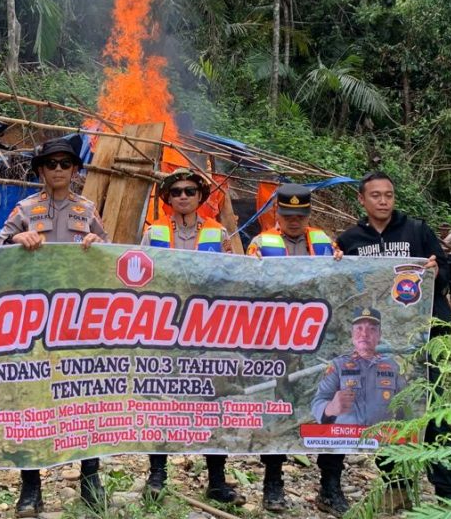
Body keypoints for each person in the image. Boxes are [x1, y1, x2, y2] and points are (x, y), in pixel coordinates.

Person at [329, 171, 451, 515]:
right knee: (385, 411)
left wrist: (435, 270)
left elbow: (447, 275)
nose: (383, 201)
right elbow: (341, 287)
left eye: (388, 195)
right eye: (376, 195)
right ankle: (396, 485)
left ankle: (449, 492)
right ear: (362, 200)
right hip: (380, 344)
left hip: (421, 341)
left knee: (432, 410)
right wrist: (334, 262)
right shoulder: (350, 239)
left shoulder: (416, 231)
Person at [0, 137, 106, 516]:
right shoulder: (25, 208)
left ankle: (90, 481)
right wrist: (14, 238)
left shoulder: (88, 209)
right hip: (35, 321)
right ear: (40, 170)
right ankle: (30, 488)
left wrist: (97, 242)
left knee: (84, 397)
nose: (58, 170)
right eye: (51, 164)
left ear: (75, 171)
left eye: (65, 164)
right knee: (32, 400)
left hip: (79, 319)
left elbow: (110, 255)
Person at [140, 168, 243, 505]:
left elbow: (233, 276)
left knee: (212, 401)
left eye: (190, 191)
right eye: (176, 192)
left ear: (200, 197)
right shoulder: (153, 231)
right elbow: (139, 276)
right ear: (167, 198)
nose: (183, 196)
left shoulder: (218, 232)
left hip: (207, 329)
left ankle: (217, 480)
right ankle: (157, 476)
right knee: (161, 401)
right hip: (165, 328)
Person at [247, 184, 337, 512]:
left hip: (318, 339)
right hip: (277, 341)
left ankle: (330, 484)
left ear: (308, 214)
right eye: (288, 215)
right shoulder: (260, 244)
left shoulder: (325, 242)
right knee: (279, 408)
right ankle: (273, 482)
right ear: (277, 214)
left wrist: (341, 262)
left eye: (300, 215)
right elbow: (248, 286)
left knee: (327, 407)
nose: (294, 220)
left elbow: (341, 281)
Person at [311, 308, 407, 427]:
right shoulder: (337, 366)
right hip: (346, 437)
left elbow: (404, 405)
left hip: (382, 437)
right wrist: (330, 408)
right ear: (352, 334)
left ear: (379, 335)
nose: (364, 334)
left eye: (372, 329)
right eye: (359, 328)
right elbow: (317, 403)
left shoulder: (393, 366)